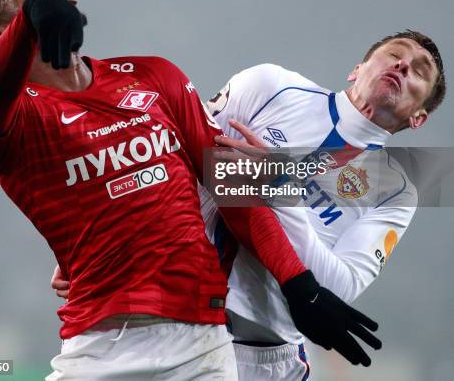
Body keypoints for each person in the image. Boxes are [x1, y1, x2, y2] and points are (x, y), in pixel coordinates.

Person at [0, 0, 381, 381]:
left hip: (200, 346)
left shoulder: (154, 76)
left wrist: (299, 285)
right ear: (3, 35)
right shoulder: (8, 120)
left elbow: (232, 189)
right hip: (97, 347)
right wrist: (32, 18)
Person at [52, 31, 446, 381]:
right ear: (356, 69)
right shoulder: (272, 86)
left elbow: (335, 290)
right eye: (395, 53)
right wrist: (98, 237)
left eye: (419, 70)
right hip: (169, 315)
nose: (402, 65)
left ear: (418, 118)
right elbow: (176, 160)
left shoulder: (396, 189)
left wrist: (279, 182)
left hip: (264, 354)